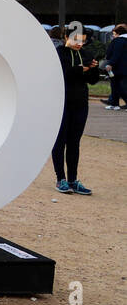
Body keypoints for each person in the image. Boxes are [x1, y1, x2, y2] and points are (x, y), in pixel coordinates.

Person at [52, 26, 99, 195]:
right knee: (60, 140)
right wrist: (81, 69)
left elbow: (93, 81)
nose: (79, 44)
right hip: (62, 103)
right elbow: (63, 74)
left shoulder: (86, 54)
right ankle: (60, 178)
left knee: (74, 141)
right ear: (66, 36)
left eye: (82, 40)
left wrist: (93, 68)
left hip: (80, 103)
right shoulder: (58, 53)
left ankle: (73, 179)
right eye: (76, 40)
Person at [101, 23, 127, 110]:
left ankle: (114, 103)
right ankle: (114, 103)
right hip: (124, 68)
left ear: (118, 33)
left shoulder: (117, 41)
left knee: (117, 86)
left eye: (114, 34)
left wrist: (110, 63)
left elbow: (113, 54)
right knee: (121, 86)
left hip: (117, 68)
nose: (113, 35)